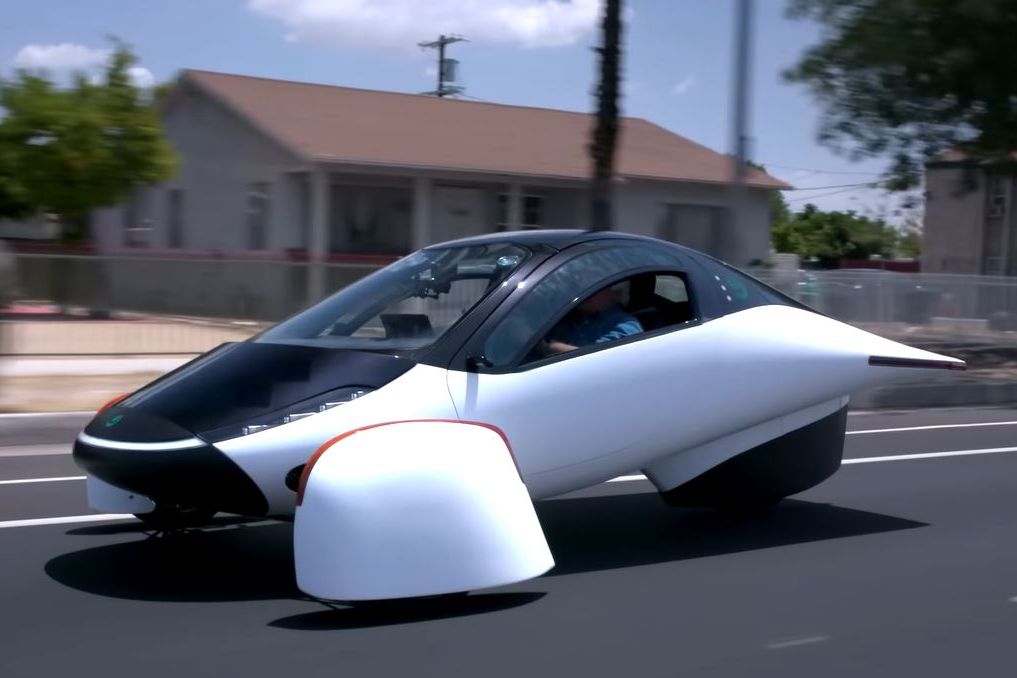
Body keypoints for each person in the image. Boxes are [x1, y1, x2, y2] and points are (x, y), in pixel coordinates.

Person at [544, 281, 643, 355]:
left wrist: (552, 347)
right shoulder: (573, 318)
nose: (584, 292)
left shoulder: (626, 325)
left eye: (594, 288)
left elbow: (597, 359)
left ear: (614, 294)